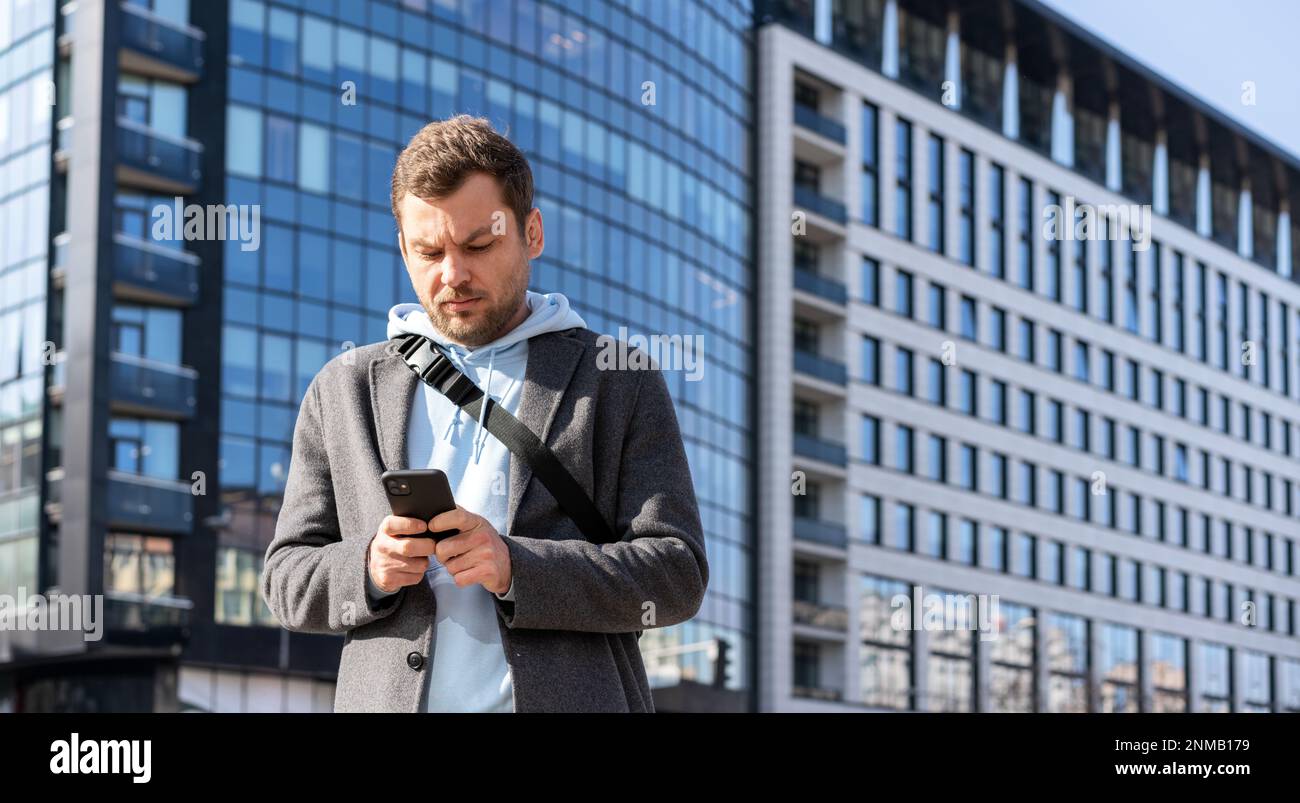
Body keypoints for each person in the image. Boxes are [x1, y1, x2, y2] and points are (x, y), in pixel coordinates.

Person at [260, 115, 708, 712]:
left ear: (532, 233)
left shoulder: (619, 378)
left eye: (478, 245)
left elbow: (676, 574)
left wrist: (516, 566)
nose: (453, 275)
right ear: (402, 248)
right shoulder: (343, 388)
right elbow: (286, 580)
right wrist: (369, 567)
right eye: (428, 251)